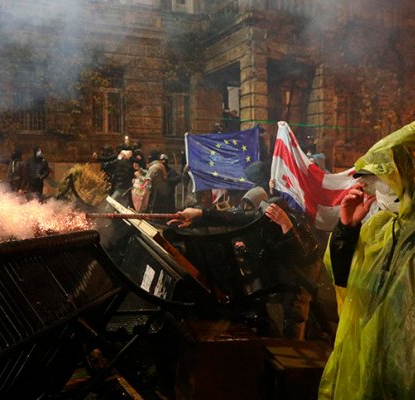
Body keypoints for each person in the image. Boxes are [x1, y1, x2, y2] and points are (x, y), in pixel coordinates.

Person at [319, 121, 415, 399]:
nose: (369, 190)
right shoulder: (382, 228)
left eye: (378, 182)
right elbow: (346, 281)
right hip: (374, 356)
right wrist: (346, 228)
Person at [169, 186, 320, 339]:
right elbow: (233, 218)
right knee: (273, 301)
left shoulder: (296, 223)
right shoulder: (263, 217)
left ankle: (297, 346)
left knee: (295, 308)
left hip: (301, 270)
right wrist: (199, 215)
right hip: (279, 264)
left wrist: (287, 226)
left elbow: (302, 256)